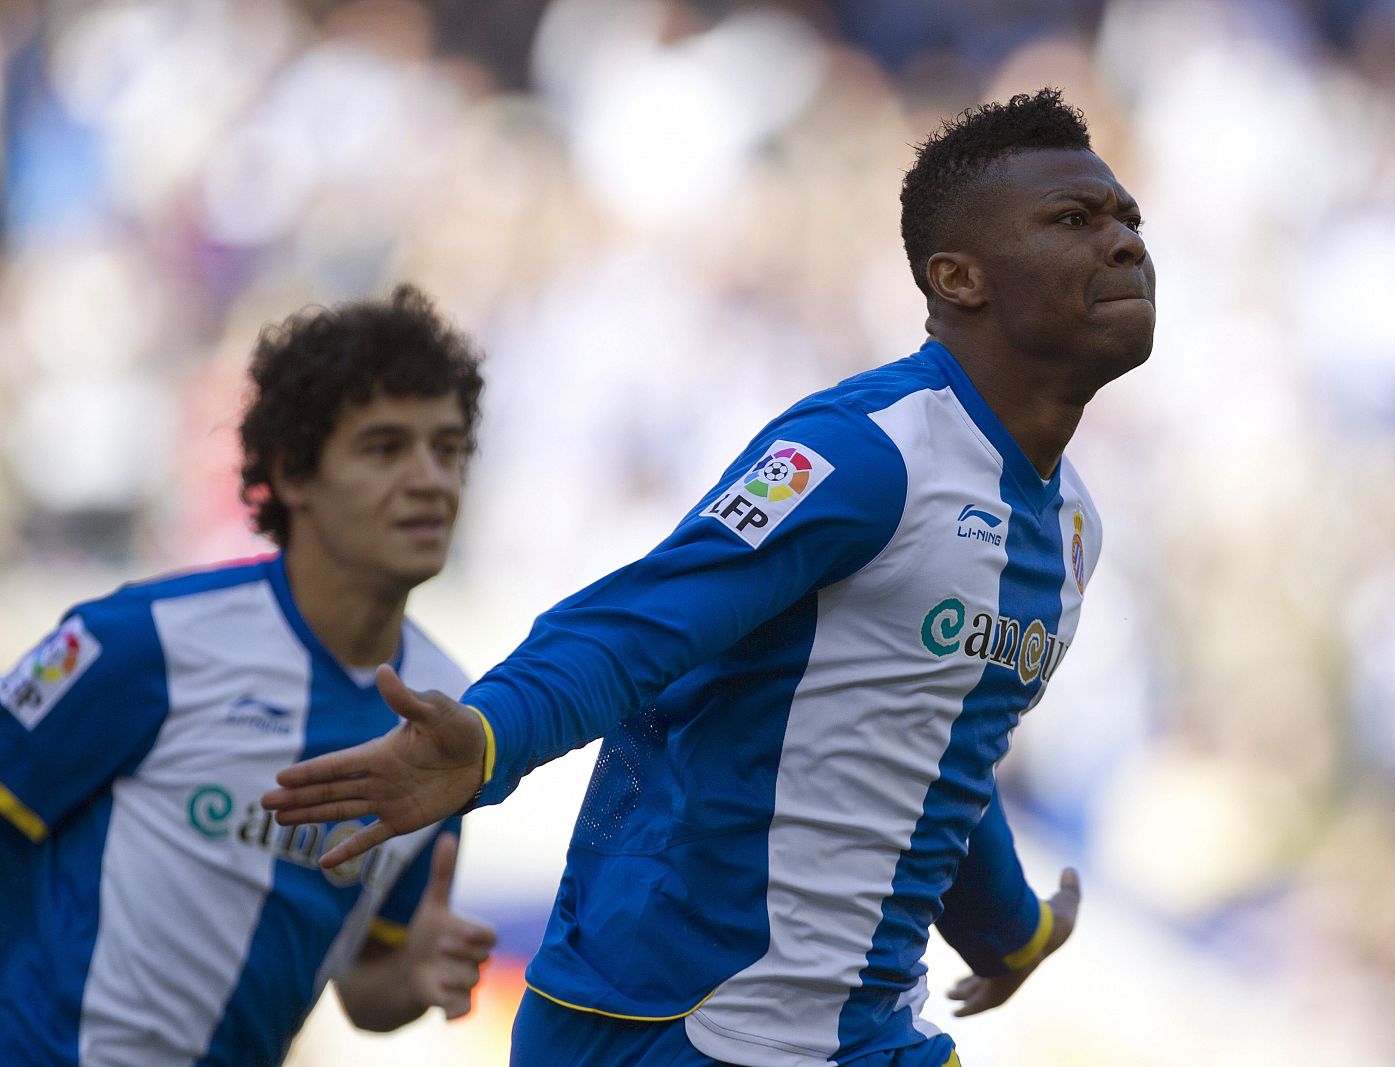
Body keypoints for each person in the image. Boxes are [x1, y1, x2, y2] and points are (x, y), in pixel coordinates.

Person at [264, 87, 1155, 1067]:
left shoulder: (1071, 526)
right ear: (959, 277)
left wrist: (1004, 926)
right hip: (673, 1022)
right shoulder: (863, 455)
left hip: (852, 1031)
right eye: (1074, 220)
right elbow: (640, 622)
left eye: (1126, 219)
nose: (1121, 242)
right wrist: (488, 735)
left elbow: (931, 731)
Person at [0, 286, 499, 1066]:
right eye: (384, 447)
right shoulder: (141, 640)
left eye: (448, 447)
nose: (430, 478)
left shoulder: (446, 715)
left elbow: (368, 990)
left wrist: (415, 972)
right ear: (295, 474)